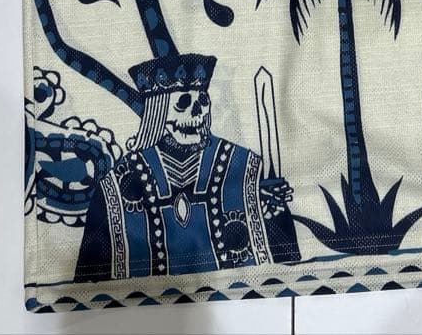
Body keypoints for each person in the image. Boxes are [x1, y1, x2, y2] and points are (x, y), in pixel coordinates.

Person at [74, 53, 299, 282]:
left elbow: (286, 261)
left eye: (202, 102)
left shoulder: (244, 165)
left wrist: (270, 210)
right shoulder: (117, 183)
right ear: (158, 113)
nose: (197, 113)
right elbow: (91, 272)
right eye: (183, 103)